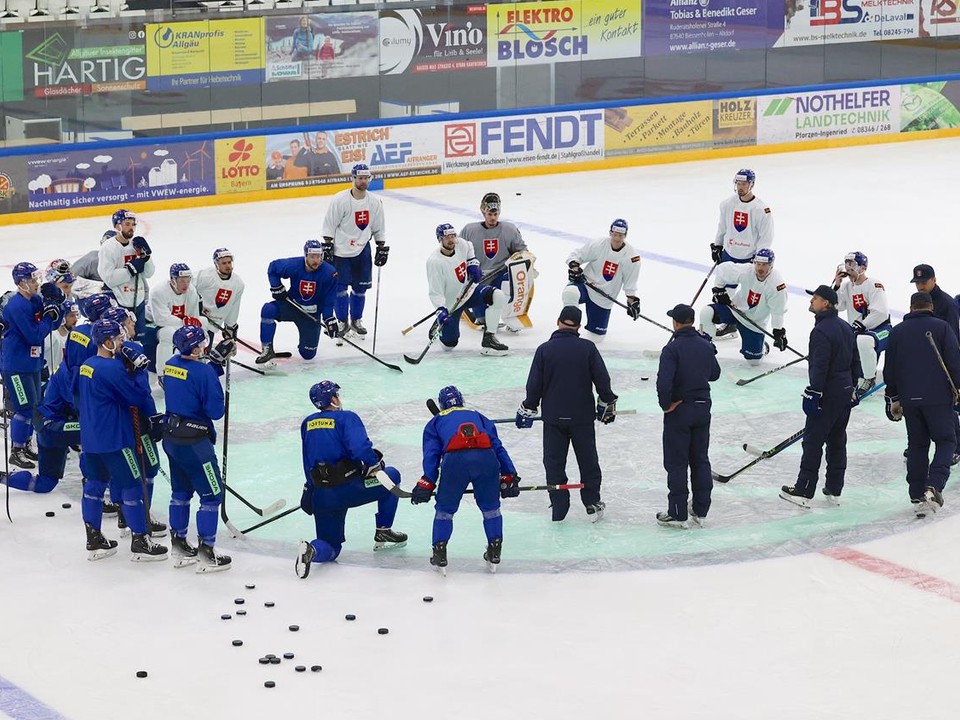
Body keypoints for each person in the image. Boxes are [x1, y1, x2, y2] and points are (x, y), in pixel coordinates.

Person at [294, 380, 407, 579]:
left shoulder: (308, 423)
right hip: (350, 489)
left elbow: (306, 460)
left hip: (322, 495)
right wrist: (374, 464)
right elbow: (360, 449)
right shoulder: (347, 418)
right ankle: (383, 530)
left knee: (331, 546)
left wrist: (309, 489)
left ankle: (311, 550)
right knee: (392, 476)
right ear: (333, 399)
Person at [76, 318, 168, 562]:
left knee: (94, 487)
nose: (121, 343)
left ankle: (94, 538)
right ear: (106, 342)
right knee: (132, 486)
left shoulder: (87, 365)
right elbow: (136, 396)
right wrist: (138, 371)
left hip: (91, 440)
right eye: (117, 339)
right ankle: (140, 539)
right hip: (116, 440)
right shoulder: (112, 368)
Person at [516, 305, 617, 521]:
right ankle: (591, 502)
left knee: (554, 462)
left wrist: (529, 407)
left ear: (558, 321)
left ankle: (559, 506)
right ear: (579, 326)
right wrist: (607, 401)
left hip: (553, 418)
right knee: (588, 461)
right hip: (582, 417)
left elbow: (534, 384)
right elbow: (602, 380)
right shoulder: (588, 348)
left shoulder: (544, 349)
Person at [412, 386, 518, 573]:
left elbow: (432, 455)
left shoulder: (435, 421)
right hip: (486, 459)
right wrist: (509, 474)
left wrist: (427, 481)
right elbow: (497, 447)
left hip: (455, 462)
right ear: (462, 400)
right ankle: (495, 549)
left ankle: (440, 552)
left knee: (445, 510)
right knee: (491, 508)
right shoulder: (478, 415)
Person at [780, 285, 862, 508]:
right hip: (844, 392)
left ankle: (804, 490)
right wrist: (853, 387)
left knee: (813, 441)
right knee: (837, 440)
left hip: (828, 393)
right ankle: (834, 488)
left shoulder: (821, 331)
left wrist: (814, 392)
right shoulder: (845, 327)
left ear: (826, 303)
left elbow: (820, 366)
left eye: (814, 299)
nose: (810, 302)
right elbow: (856, 361)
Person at [162, 325, 235, 571]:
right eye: (202, 344)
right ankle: (207, 552)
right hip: (195, 443)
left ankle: (179, 544)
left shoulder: (171, 364)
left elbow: (191, 376)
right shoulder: (203, 373)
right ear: (194, 347)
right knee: (212, 495)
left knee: (180, 493)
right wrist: (214, 378)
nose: (205, 347)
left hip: (172, 438)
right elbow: (214, 411)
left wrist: (214, 364)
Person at [883, 291, 960, 517]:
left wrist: (893, 396)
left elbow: (890, 369)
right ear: (931, 307)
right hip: (938, 399)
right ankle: (934, 484)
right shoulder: (942, 328)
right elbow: (955, 361)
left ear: (910, 307)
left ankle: (916, 493)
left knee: (917, 445)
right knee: (946, 441)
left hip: (910, 400)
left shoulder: (897, 332)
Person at [655, 304, 722, 528]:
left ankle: (677, 512)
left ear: (675, 322)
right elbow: (714, 374)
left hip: (680, 409)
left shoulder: (672, 349)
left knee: (677, 462)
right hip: (703, 408)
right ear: (692, 321)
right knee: (700, 459)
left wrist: (666, 405)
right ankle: (701, 509)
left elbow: (664, 382)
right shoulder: (705, 345)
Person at [2, 262, 64, 469]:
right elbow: (34, 335)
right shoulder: (16, 306)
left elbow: (54, 324)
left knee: (35, 407)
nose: (37, 283)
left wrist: (58, 303)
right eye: (32, 280)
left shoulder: (35, 299)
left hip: (32, 363)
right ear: (21, 283)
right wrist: (47, 315)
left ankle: (25, 444)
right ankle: (16, 450)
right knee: (24, 409)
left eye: (36, 279)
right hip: (16, 366)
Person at [320, 164, 386, 338]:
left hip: (363, 249)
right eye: (360, 178)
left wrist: (381, 246)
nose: (363, 181)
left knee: (360, 289)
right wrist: (327, 244)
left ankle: (356, 320)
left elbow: (379, 226)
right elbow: (329, 224)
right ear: (353, 178)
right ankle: (342, 321)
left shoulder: (374, 202)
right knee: (339, 289)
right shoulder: (339, 200)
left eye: (366, 178)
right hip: (340, 252)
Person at [426, 223, 509, 356]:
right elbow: (435, 292)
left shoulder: (461, 244)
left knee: (497, 295)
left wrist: (472, 263)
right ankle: (439, 325)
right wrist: (441, 310)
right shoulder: (435, 262)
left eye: (453, 236)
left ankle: (489, 341)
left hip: (469, 292)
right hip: (452, 303)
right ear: (440, 239)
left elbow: (469, 248)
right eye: (447, 237)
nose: (451, 240)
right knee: (449, 345)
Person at [459, 192, 536, 333]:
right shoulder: (469, 230)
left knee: (514, 279)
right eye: (490, 214)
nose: (493, 218)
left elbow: (522, 251)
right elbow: (458, 255)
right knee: (483, 320)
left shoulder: (509, 229)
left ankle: (513, 316)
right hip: (479, 280)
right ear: (483, 212)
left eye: (496, 214)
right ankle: (470, 310)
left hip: (501, 275)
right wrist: (468, 272)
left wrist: (525, 260)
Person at [909, 263, 960, 464]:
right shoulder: (918, 301)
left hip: (942, 363)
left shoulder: (946, 304)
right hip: (921, 362)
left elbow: (953, 338)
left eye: (923, 282)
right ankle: (919, 442)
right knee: (922, 405)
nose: (920, 286)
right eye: (917, 283)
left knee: (946, 408)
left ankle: (956, 445)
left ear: (934, 280)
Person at [699, 249, 788, 365]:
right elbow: (722, 270)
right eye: (758, 264)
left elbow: (778, 311)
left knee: (754, 361)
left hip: (754, 322)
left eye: (764, 265)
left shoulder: (777, 285)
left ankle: (761, 347)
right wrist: (718, 289)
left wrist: (778, 330)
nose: (760, 268)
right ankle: (704, 346)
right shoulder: (747, 270)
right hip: (735, 310)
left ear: (771, 265)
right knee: (706, 312)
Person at [257, 240, 338, 364]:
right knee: (268, 310)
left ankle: (305, 345)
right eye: (312, 256)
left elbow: (329, 300)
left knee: (308, 354)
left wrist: (329, 319)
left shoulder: (329, 273)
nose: (316, 260)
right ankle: (267, 349)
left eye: (318, 256)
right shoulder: (294, 265)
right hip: (292, 306)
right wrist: (276, 286)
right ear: (305, 255)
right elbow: (273, 268)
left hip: (311, 315)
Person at [2, 362, 79, 494]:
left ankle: (3, 477)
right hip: (53, 425)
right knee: (98, 432)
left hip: (47, 423)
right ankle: (17, 449)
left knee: (45, 483)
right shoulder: (75, 373)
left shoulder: (69, 368)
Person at [561, 218, 641, 340]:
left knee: (596, 339)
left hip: (604, 297)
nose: (616, 239)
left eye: (620, 235)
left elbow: (630, 281)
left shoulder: (632, 257)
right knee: (570, 293)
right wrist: (574, 267)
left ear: (625, 236)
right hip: (586, 285)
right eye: (614, 234)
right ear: (610, 233)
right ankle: (568, 331)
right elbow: (577, 256)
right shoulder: (598, 244)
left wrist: (632, 300)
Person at [831, 250, 891, 397]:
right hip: (860, 332)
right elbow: (838, 306)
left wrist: (862, 325)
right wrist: (837, 285)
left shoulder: (874, 284)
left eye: (852, 264)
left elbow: (881, 312)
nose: (848, 267)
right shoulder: (846, 286)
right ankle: (851, 376)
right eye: (846, 263)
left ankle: (870, 379)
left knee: (863, 340)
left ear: (863, 268)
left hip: (881, 330)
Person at [97, 208, 154, 339]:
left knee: (139, 340)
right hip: (118, 302)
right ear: (117, 226)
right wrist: (130, 269)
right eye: (127, 224)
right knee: (119, 340)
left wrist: (147, 257)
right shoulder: (108, 247)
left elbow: (149, 273)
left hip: (138, 301)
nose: (131, 228)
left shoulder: (136, 245)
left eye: (133, 224)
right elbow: (109, 278)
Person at [148, 263, 207, 378]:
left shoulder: (191, 291)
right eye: (181, 281)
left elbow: (193, 317)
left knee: (203, 321)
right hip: (155, 325)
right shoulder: (158, 291)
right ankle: (163, 374)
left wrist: (191, 324)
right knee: (168, 333)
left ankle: (199, 360)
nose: (185, 285)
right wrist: (185, 322)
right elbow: (161, 319)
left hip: (178, 324)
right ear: (172, 280)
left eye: (187, 281)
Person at [709, 168, 773, 265]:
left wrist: (759, 257)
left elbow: (766, 237)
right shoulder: (727, 204)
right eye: (738, 184)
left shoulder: (761, 209)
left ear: (752, 185)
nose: (740, 187)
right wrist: (718, 245)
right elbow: (722, 227)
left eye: (744, 184)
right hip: (729, 255)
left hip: (749, 259)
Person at [194, 248, 245, 343]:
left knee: (204, 352)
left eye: (229, 262)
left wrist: (230, 325)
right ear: (216, 264)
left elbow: (234, 306)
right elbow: (187, 287)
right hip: (196, 320)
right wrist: (194, 306)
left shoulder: (238, 283)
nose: (228, 266)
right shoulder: (206, 275)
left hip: (213, 325)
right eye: (224, 263)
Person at [45, 299, 78, 378]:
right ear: (62, 318)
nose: (76, 319)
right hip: (49, 380)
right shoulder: (52, 336)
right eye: (71, 316)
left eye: (76, 315)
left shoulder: (72, 336)